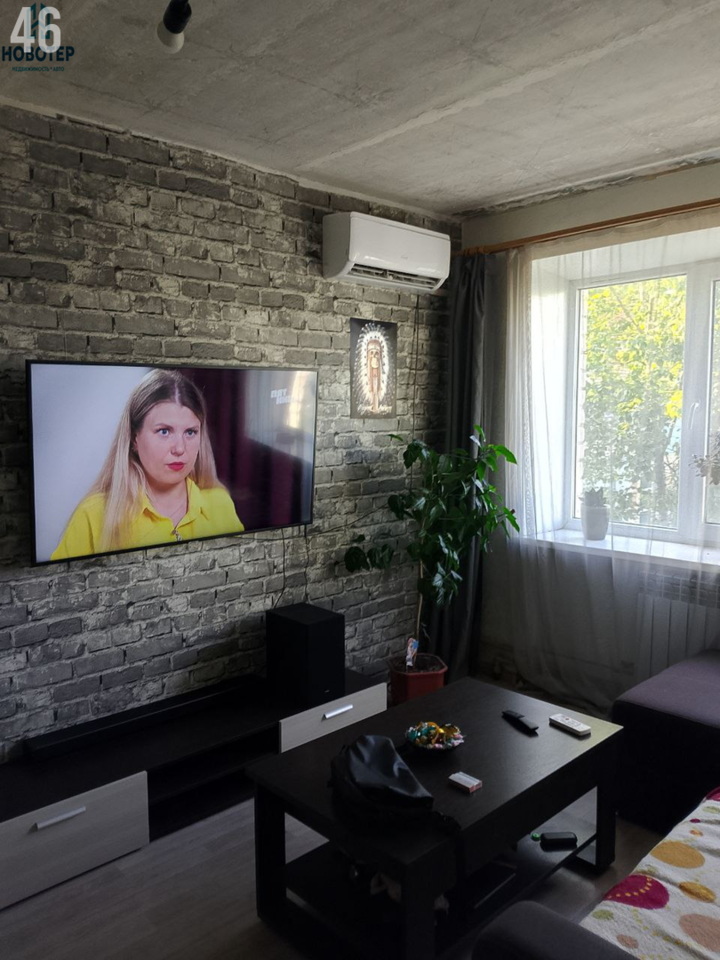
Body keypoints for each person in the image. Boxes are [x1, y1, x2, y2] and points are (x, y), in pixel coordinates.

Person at [51, 369, 244, 560]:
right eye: (164, 431)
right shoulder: (93, 515)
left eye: (190, 432)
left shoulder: (220, 504)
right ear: (134, 438)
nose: (180, 448)